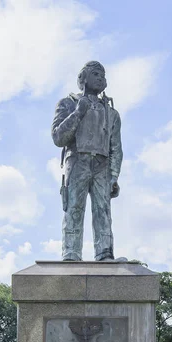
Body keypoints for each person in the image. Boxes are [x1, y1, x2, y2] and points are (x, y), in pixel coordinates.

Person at [52, 61, 123, 262]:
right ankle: (71, 254)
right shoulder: (68, 103)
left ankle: (105, 253)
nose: (101, 78)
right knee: (73, 208)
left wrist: (114, 175)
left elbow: (116, 148)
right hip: (77, 161)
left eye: (103, 75)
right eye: (95, 73)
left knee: (103, 212)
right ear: (83, 78)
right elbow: (58, 138)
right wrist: (78, 113)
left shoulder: (111, 113)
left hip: (102, 166)